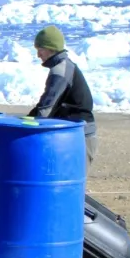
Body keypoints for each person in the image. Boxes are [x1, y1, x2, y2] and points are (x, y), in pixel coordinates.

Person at [28, 25, 98, 173]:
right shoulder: (63, 66)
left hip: (79, 136)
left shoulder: (60, 70)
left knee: (71, 182)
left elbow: (46, 109)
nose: (38, 55)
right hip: (73, 133)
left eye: (40, 49)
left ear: (51, 48)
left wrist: (25, 129)